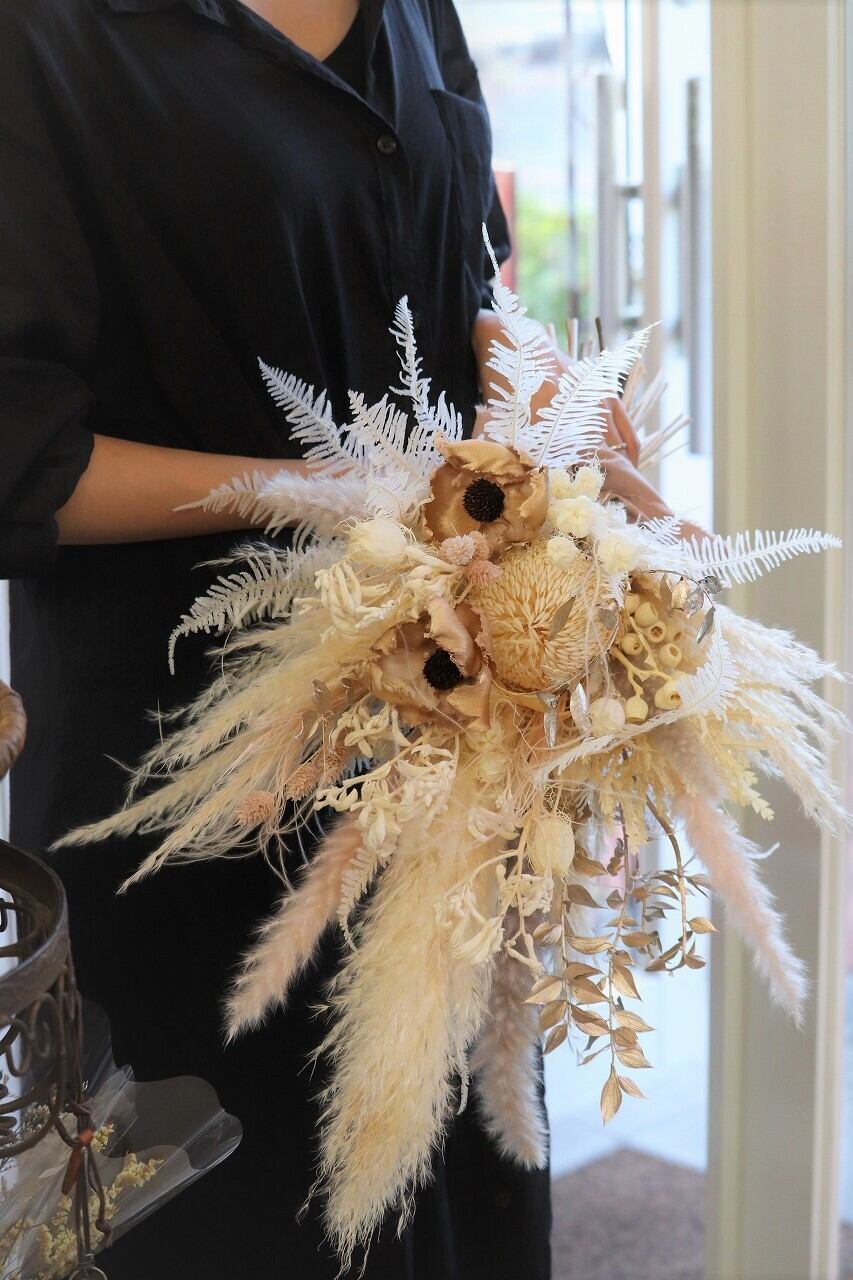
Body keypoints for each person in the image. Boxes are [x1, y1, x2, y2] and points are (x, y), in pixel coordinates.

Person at [0, 1, 672, 1275]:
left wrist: (537, 404)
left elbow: (467, 277)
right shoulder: (47, 33)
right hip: (196, 780)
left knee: (462, 1197)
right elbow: (20, 451)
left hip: (449, 754)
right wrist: (337, 495)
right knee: (248, 1214)